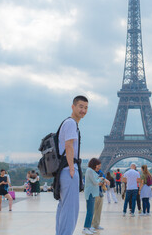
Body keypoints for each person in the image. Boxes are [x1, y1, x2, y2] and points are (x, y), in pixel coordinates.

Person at [56, 95, 88, 235]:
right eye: (80, 106)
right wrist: (71, 169)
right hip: (69, 170)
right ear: (73, 107)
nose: (83, 110)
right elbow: (69, 146)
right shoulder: (70, 123)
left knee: (64, 209)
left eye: (86, 107)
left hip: (64, 170)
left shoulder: (68, 123)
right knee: (70, 211)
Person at [83, 158, 104, 235]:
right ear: (94, 164)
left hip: (92, 193)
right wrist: (100, 179)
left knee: (91, 211)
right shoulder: (90, 171)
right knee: (90, 211)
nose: (99, 167)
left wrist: (99, 179)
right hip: (90, 193)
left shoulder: (91, 171)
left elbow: (95, 180)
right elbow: (95, 182)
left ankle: (88, 227)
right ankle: (86, 227)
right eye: (98, 165)